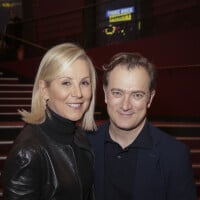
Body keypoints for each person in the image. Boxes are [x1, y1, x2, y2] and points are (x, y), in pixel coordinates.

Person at [88, 52, 197, 200]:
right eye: (117, 93)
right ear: (106, 94)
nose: (125, 105)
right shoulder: (84, 143)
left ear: (150, 99)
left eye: (137, 95)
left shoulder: (174, 155)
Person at [1, 42, 97, 200]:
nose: (78, 93)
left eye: (84, 83)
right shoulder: (28, 153)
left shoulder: (79, 135)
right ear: (44, 90)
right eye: (66, 83)